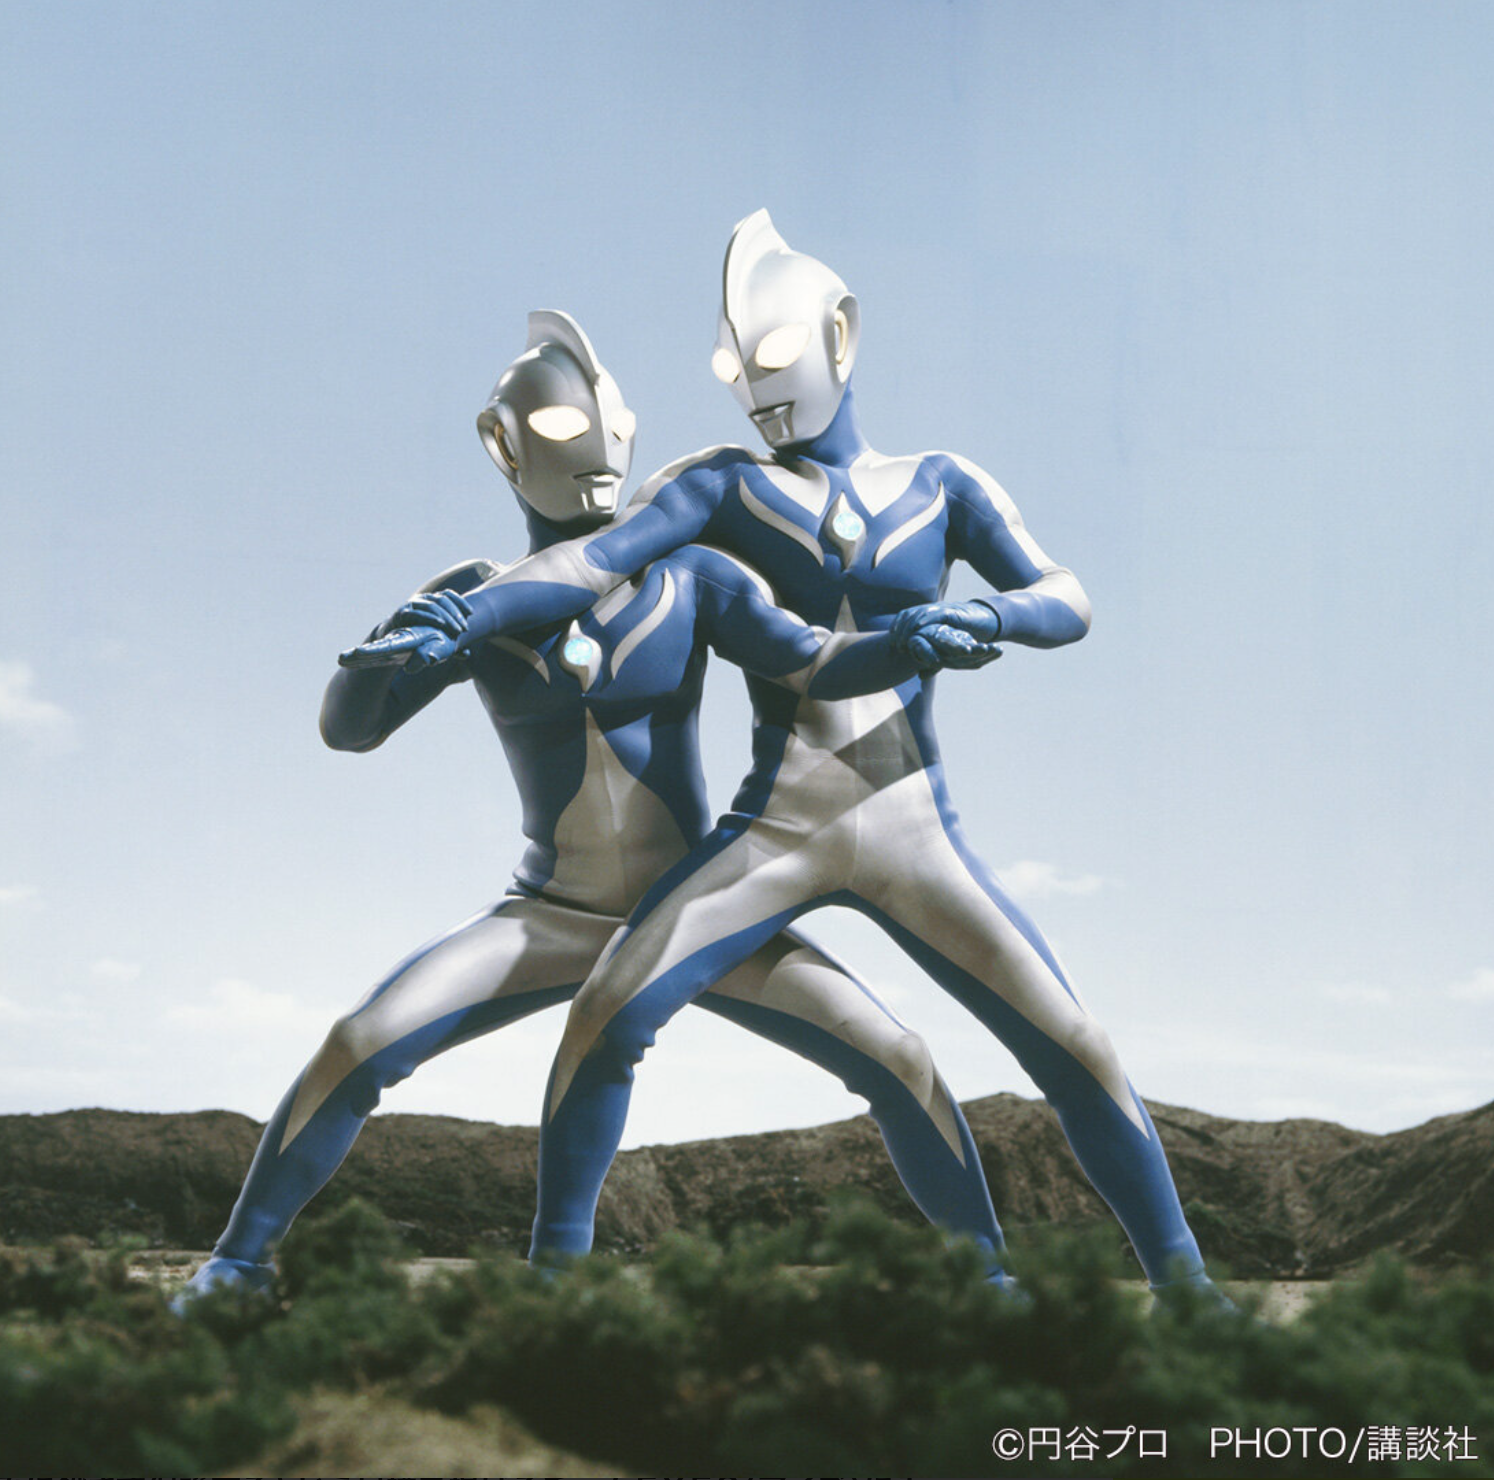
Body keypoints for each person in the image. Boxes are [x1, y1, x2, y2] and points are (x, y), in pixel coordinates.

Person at [350, 214, 1218, 1297]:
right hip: (777, 829)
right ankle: (556, 1295)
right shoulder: (718, 486)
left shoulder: (942, 483)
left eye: (771, 352)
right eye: (735, 370)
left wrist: (995, 617)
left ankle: (1183, 1292)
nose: (755, 389)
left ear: (840, 335)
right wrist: (468, 616)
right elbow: (591, 561)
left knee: (1072, 1043)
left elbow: (1065, 596)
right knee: (608, 1013)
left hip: (913, 830)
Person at [177, 310, 1006, 1301]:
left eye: (603, 425)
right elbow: (350, 730)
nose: (595, 453)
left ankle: (991, 1281)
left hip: (689, 912)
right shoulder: (478, 597)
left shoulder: (693, 577)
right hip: (552, 912)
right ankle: (236, 1263)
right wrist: (393, 647)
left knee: (898, 1057)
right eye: (561, 431)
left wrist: (909, 641)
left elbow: (813, 661)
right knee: (359, 1043)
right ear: (503, 446)